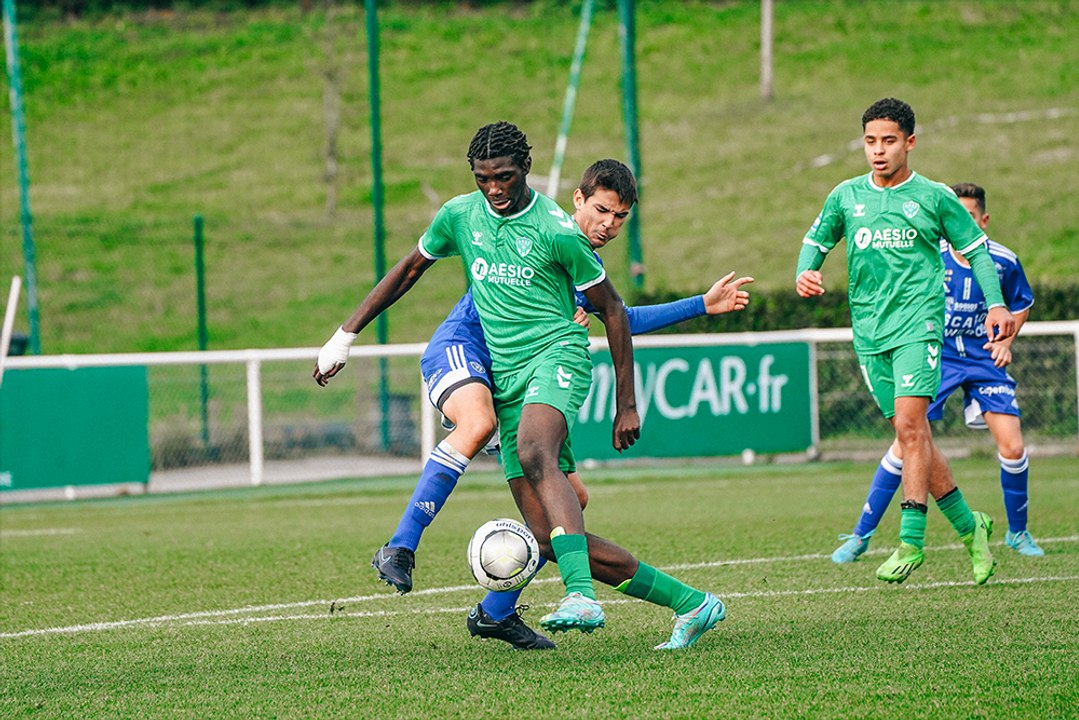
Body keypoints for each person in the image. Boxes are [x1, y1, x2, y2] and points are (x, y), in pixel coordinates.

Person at [316, 123, 727, 649]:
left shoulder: (559, 233)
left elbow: (615, 311)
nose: (494, 188)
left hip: (555, 358)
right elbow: (410, 269)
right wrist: (346, 334)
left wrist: (628, 402)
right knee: (549, 533)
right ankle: (692, 604)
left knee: (535, 452)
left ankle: (578, 595)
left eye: (504, 177)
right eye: (483, 178)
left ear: (525, 171)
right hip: (502, 374)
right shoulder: (461, 215)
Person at [795, 98, 1016, 586]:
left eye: (889, 141)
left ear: (909, 143)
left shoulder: (934, 197)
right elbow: (817, 239)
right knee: (911, 436)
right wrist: (806, 271)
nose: (878, 151)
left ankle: (910, 539)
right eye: (871, 141)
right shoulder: (846, 196)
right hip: (870, 332)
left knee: (912, 428)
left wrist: (996, 303)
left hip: (919, 325)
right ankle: (969, 525)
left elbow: (977, 253)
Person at [831, 182, 1042, 563]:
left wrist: (1006, 342)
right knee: (906, 440)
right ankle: (861, 535)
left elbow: (1021, 303)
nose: (959, 225)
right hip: (936, 355)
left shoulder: (1001, 260)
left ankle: (1018, 532)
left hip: (982, 359)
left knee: (1012, 445)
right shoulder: (930, 255)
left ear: (982, 220)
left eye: (969, 218)